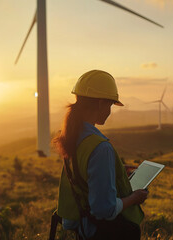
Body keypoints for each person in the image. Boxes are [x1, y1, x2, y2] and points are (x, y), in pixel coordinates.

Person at [53, 70, 148, 240]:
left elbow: (83, 175)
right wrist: (134, 198)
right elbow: (105, 209)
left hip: (82, 230)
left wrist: (113, 170)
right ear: (100, 103)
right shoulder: (100, 148)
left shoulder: (73, 137)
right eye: (110, 105)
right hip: (101, 233)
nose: (110, 111)